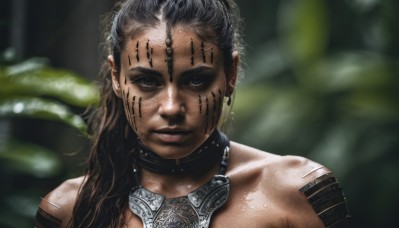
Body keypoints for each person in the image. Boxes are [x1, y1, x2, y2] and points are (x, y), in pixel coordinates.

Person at [35, 0, 352, 227]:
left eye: (197, 80)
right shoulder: (69, 209)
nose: (172, 107)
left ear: (230, 74)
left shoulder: (295, 192)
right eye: (146, 81)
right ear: (116, 77)